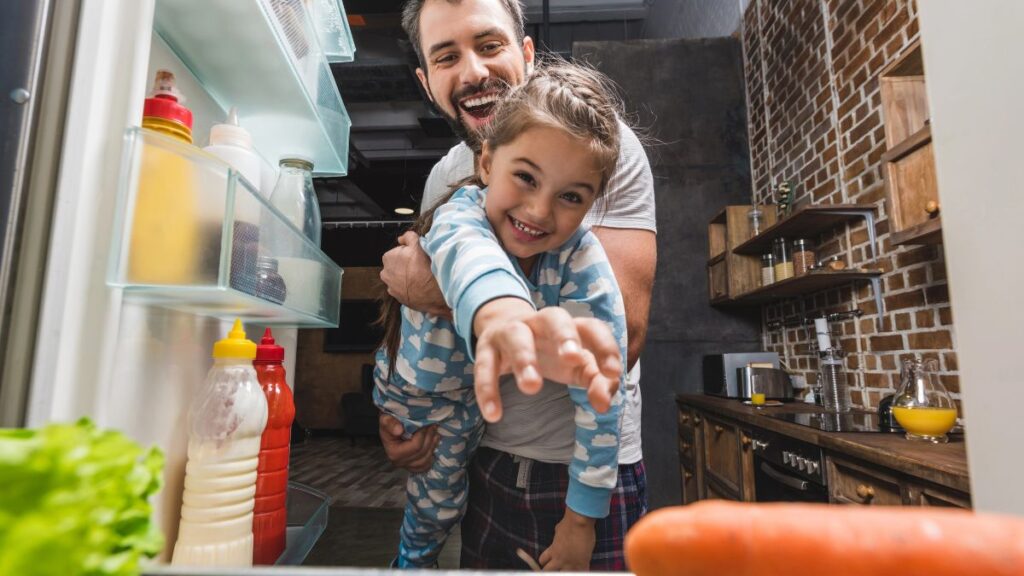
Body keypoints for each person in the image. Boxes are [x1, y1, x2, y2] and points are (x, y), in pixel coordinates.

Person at [379, 0, 657, 570]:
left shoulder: (600, 145)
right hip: (487, 452)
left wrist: (446, 296)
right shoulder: (449, 181)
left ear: (525, 52)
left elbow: (620, 337)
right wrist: (402, 416)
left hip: (585, 465)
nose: (474, 72)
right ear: (427, 81)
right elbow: (454, 278)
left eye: (489, 45)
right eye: (447, 56)